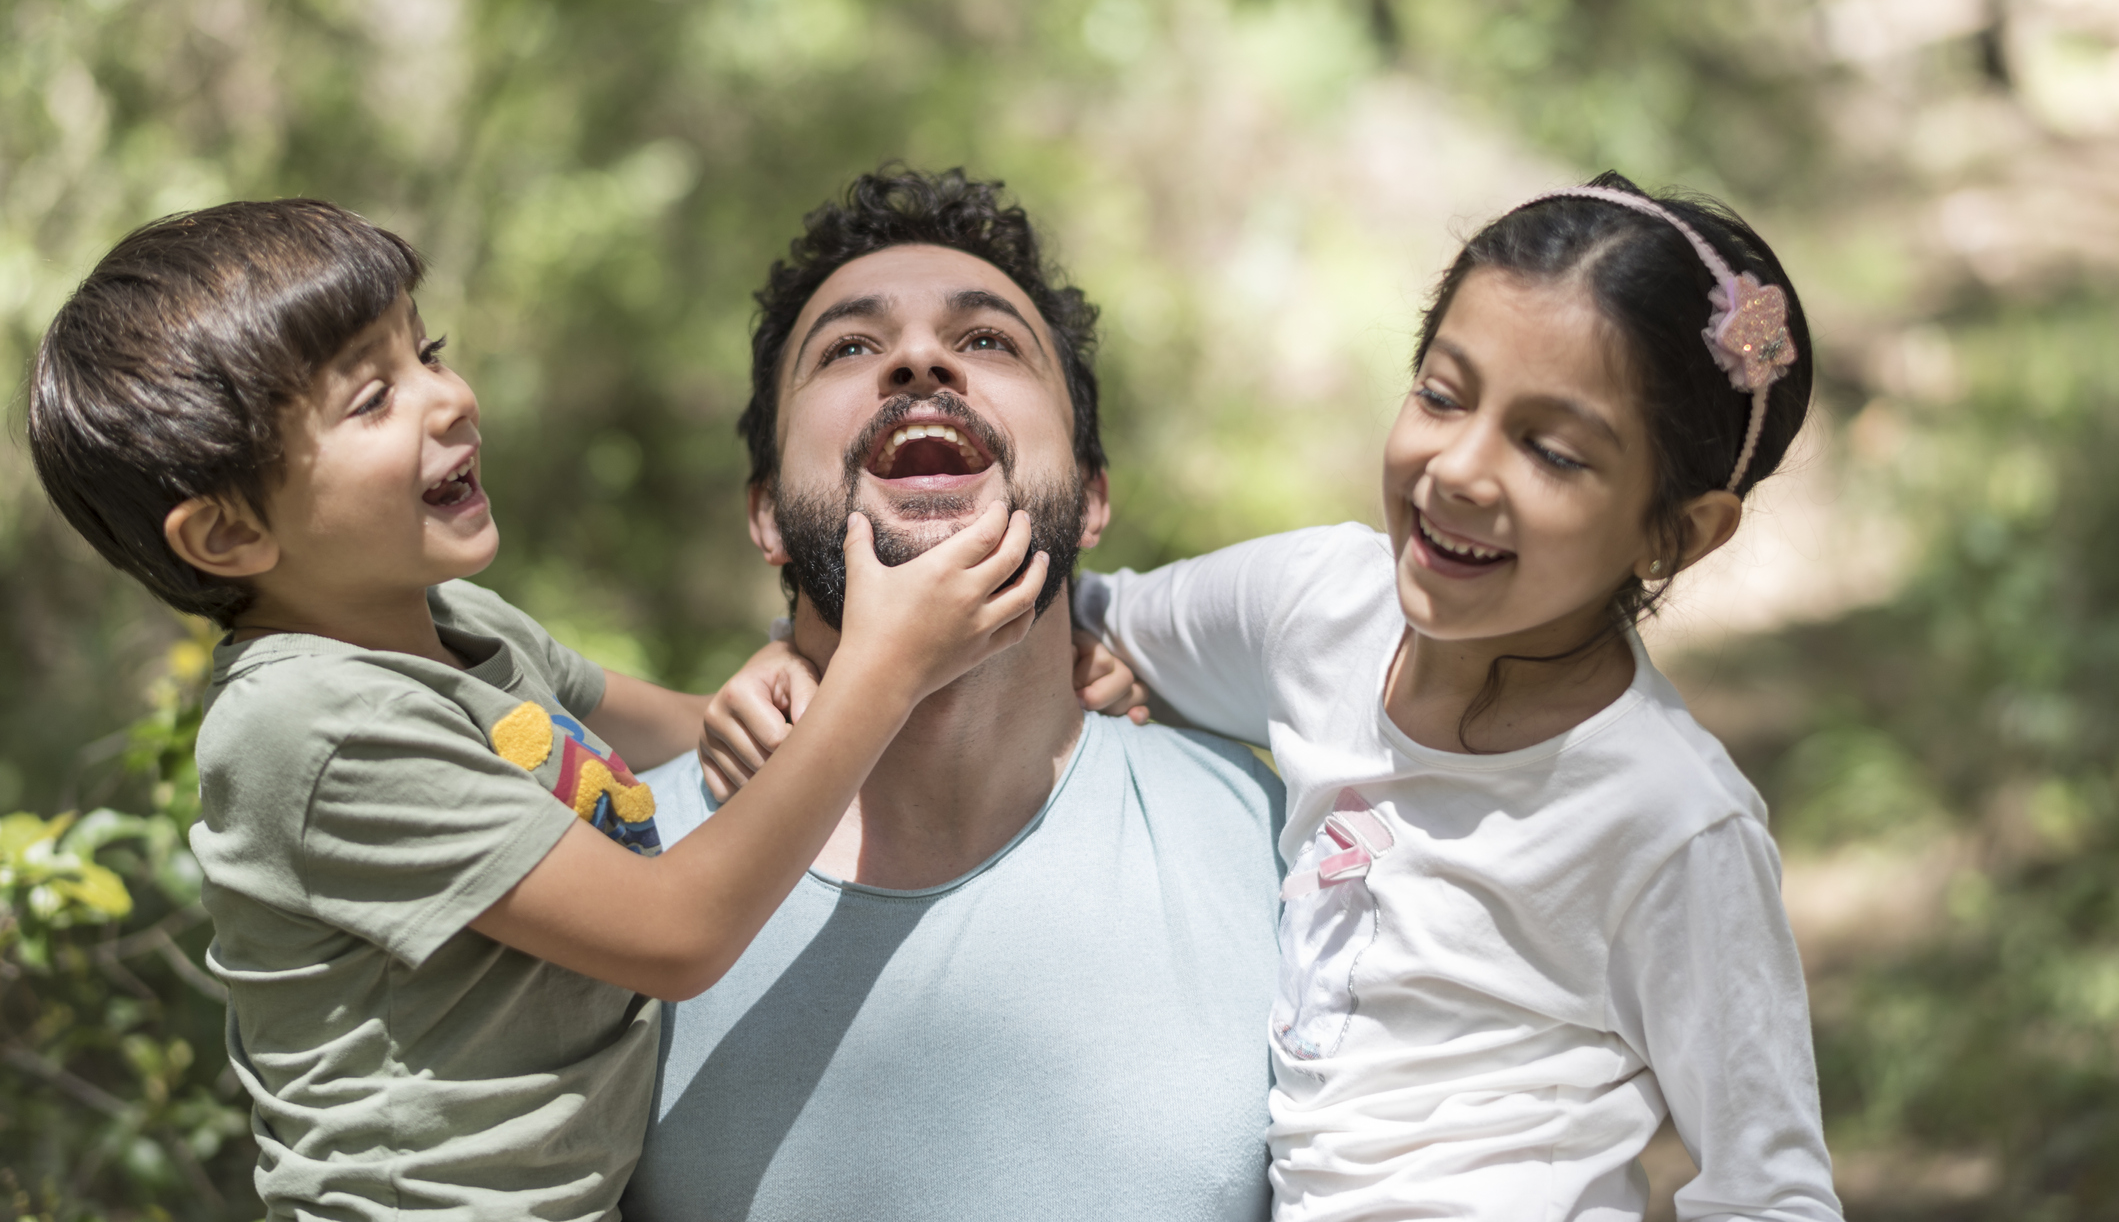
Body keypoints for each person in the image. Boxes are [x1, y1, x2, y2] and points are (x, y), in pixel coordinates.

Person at [25, 199, 1048, 1221]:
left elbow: (698, 729)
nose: (450, 398)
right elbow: (677, 931)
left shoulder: (455, 622)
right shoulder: (309, 724)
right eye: (375, 396)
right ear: (229, 535)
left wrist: (1055, 655)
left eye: (426, 351)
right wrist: (884, 667)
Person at [1068, 176, 1846, 1220]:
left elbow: (1772, 1191)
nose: (1462, 469)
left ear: (1679, 532)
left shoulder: (1669, 818)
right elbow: (1067, 617)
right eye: (1440, 394)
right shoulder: (1319, 608)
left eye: (1552, 450)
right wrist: (812, 647)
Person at [621, 167, 1287, 1222]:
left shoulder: (1277, 846)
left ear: (1093, 495)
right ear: (764, 517)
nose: (919, 357)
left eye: (989, 341)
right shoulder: (613, 873)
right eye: (847, 346)